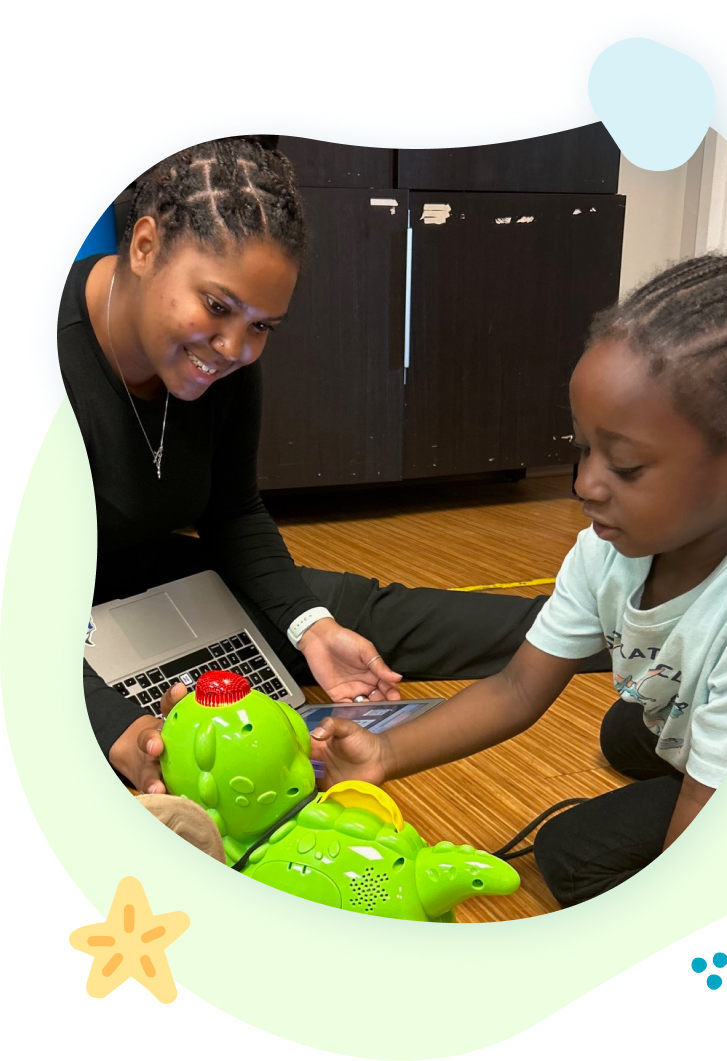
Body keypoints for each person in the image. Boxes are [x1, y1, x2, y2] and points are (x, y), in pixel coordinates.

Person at [59, 134, 610, 798]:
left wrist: (309, 625)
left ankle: (640, 633)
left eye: (264, 326)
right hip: (43, 618)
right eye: (217, 306)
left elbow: (232, 510)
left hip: (153, 586)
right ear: (143, 246)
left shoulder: (224, 364)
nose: (236, 347)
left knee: (352, 621)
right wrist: (108, 722)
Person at [309, 254, 727, 908]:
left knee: (572, 857)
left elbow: (699, 841)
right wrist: (382, 753)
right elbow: (518, 686)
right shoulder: (607, 550)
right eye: (581, 449)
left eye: (625, 466)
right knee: (624, 728)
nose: (584, 485)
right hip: (714, 713)